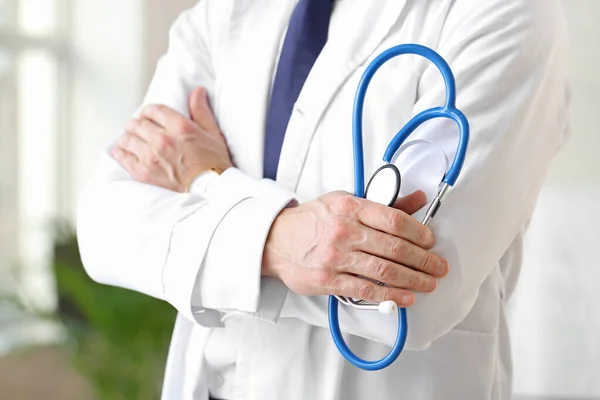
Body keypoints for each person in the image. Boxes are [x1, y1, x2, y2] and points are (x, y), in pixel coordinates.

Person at [76, 0, 570, 399]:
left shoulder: (506, 12)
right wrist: (280, 241)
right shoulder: (223, 14)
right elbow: (105, 229)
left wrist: (209, 182)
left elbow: (407, 296)